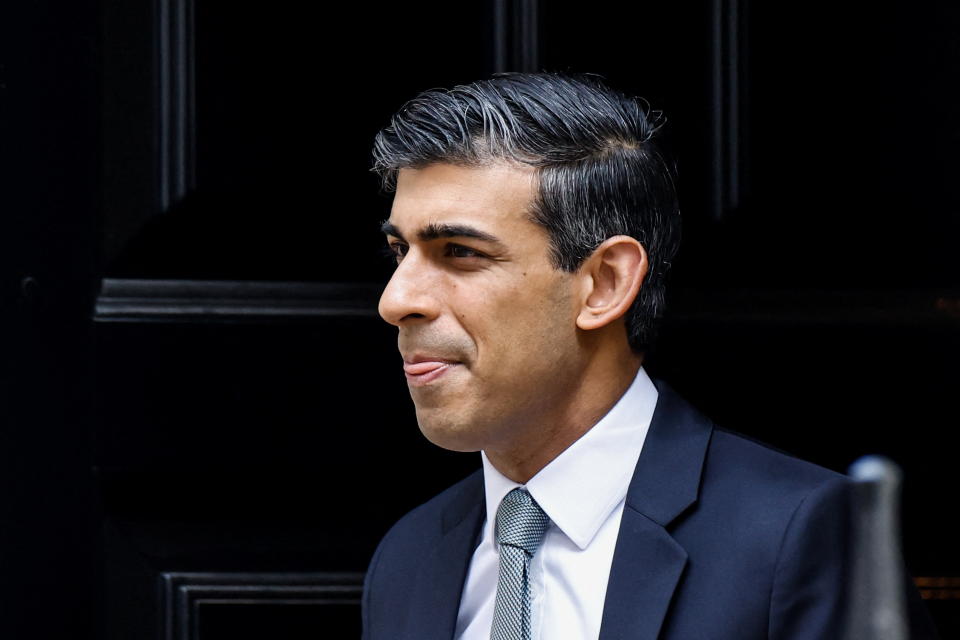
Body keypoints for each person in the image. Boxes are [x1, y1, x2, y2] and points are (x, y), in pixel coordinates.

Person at [361, 73, 936, 640]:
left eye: (459, 252)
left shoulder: (798, 534)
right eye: (399, 251)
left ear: (606, 283)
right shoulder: (410, 556)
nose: (396, 300)